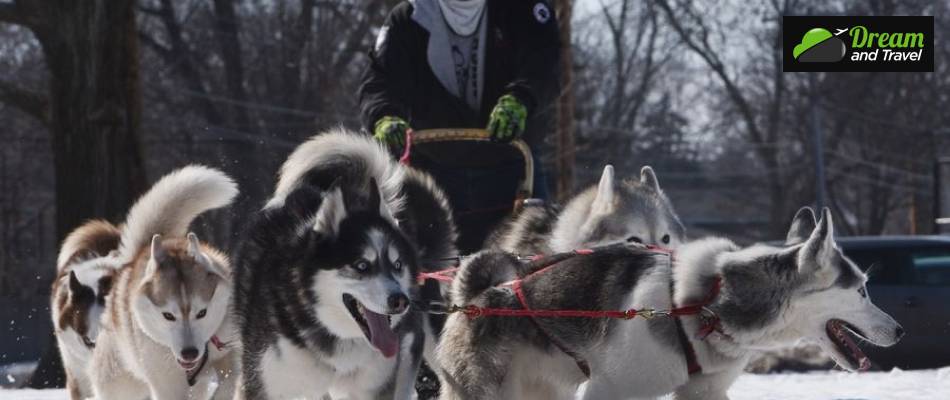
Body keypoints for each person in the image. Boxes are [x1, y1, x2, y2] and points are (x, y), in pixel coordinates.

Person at [359, 0, 560, 253]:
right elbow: (379, 81)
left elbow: (543, 65)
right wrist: (384, 117)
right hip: (432, 176)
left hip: (513, 170)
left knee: (537, 262)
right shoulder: (408, 19)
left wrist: (521, 99)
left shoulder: (526, 10)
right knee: (418, 270)